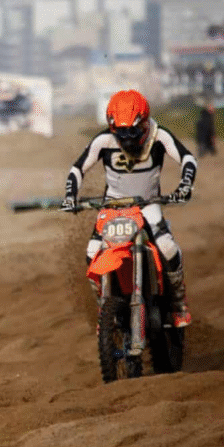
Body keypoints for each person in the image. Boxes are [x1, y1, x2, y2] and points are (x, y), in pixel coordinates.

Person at [62, 89, 198, 327]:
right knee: (92, 253)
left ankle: (178, 303)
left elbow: (188, 159)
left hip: (148, 206)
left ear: (144, 122)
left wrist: (185, 185)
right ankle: (104, 310)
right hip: (112, 208)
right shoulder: (103, 140)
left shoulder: (159, 136)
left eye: (133, 133)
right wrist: (70, 195)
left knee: (167, 248)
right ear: (112, 127)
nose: (127, 140)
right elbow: (77, 169)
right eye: (120, 134)